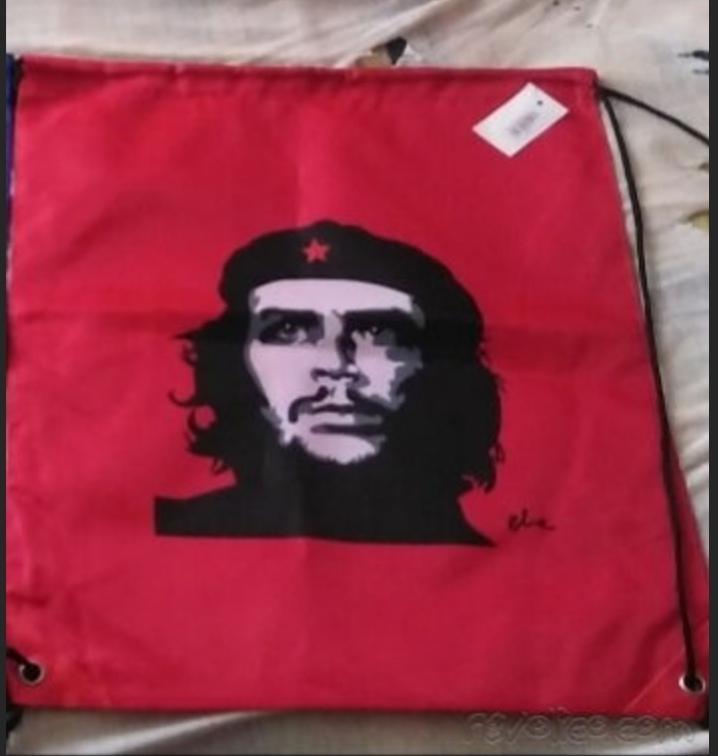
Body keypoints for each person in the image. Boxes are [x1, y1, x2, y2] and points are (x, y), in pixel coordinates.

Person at [155, 220, 503, 545]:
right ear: (233, 366)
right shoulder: (166, 537)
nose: (337, 365)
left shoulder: (501, 572)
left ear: (443, 369)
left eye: (377, 332)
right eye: (289, 330)